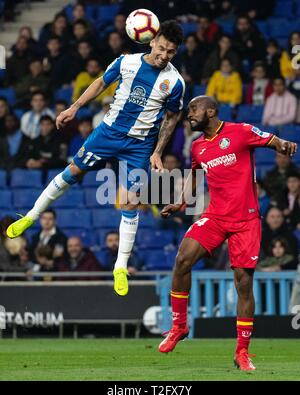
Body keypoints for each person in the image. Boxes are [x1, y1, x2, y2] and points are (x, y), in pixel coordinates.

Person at [6, 21, 185, 298]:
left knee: (130, 201)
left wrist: (158, 151)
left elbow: (172, 117)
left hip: (139, 145)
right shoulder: (126, 62)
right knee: (72, 172)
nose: (164, 56)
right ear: (151, 41)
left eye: (170, 52)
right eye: (161, 48)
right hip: (108, 133)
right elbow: (101, 83)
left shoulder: (174, 82)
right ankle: (31, 217)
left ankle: (121, 266)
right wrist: (74, 108)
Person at [158, 95, 297, 371]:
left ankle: (242, 352)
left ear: (211, 111)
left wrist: (283, 144)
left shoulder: (240, 132)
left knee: (243, 283)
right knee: (183, 259)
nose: (190, 115)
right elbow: (196, 176)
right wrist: (182, 202)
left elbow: (271, 139)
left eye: (194, 109)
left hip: (246, 220)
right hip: (216, 216)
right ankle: (179, 326)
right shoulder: (198, 147)